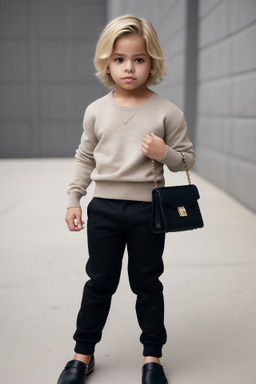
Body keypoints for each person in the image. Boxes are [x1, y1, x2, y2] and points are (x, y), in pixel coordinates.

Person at [57, 15, 195, 384]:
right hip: (103, 209)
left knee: (147, 283)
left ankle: (153, 358)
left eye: (138, 59)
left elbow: (186, 160)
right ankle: (82, 354)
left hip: (149, 211)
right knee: (99, 282)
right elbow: (84, 157)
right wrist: (74, 198)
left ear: (153, 62)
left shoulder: (167, 111)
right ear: (107, 61)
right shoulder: (96, 111)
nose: (129, 68)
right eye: (119, 59)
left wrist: (165, 152)